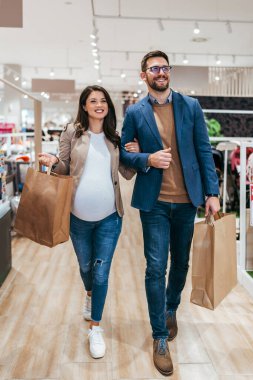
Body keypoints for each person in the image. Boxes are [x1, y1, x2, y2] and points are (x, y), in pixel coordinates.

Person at [120, 51, 220, 376]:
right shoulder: (135, 112)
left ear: (169, 72)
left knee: (181, 264)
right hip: (155, 202)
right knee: (155, 267)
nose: (159, 72)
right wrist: (146, 159)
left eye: (164, 67)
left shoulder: (190, 106)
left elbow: (204, 150)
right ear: (143, 75)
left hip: (188, 200)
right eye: (153, 68)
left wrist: (213, 193)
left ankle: (170, 308)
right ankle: (159, 337)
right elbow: (124, 151)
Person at [38, 85, 139, 359]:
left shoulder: (115, 137)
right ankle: (90, 294)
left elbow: (128, 173)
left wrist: (137, 153)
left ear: (108, 106)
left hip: (110, 217)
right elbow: (63, 167)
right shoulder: (72, 131)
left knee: (101, 271)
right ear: (84, 105)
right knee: (85, 267)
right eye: (93, 100)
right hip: (77, 217)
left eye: (103, 100)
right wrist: (52, 161)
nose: (99, 104)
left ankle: (96, 328)